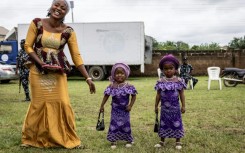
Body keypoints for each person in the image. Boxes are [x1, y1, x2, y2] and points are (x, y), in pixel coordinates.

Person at [21, 0, 96, 149]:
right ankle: (31, 139)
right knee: (38, 104)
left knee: (62, 103)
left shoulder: (68, 31)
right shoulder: (37, 23)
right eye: (56, 5)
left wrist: (87, 77)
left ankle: (66, 138)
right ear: (50, 7)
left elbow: (76, 55)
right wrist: (40, 63)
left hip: (58, 71)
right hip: (38, 71)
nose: (59, 8)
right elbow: (28, 46)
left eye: (63, 8)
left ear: (66, 13)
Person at [99, 63, 137, 149]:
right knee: (114, 124)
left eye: (122, 73)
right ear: (114, 75)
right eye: (117, 73)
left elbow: (134, 96)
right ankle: (113, 141)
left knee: (126, 125)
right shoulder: (112, 86)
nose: (119, 75)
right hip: (115, 110)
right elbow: (106, 96)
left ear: (126, 75)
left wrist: (130, 105)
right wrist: (102, 106)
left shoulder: (129, 86)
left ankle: (128, 140)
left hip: (125, 110)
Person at [154, 54, 186, 150]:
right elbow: (158, 95)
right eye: (166, 68)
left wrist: (183, 105)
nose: (168, 70)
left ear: (175, 69)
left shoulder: (179, 81)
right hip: (164, 109)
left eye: (171, 68)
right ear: (163, 70)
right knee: (163, 123)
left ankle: (178, 141)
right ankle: (162, 141)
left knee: (177, 123)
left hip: (175, 109)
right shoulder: (161, 82)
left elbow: (182, 94)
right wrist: (156, 106)